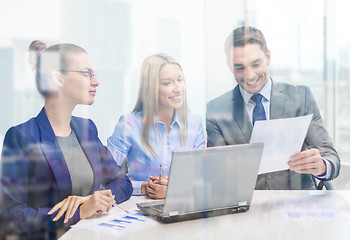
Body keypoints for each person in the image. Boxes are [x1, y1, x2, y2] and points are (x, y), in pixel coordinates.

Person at [0, 40, 132, 239]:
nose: (95, 81)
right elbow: (11, 217)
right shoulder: (21, 137)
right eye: (86, 73)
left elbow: (122, 182)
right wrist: (79, 212)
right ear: (58, 78)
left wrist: (89, 200)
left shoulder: (87, 129)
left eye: (94, 74)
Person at [206, 26, 340, 190]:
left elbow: (331, 156)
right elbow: (216, 173)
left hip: (298, 204)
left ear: (267, 57)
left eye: (256, 64)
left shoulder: (301, 97)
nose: (250, 76)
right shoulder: (216, 110)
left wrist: (322, 166)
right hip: (248, 207)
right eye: (240, 67)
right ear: (229, 65)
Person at [107, 53, 205, 198]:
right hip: (140, 208)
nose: (178, 89)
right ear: (150, 88)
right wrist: (144, 187)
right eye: (167, 83)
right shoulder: (129, 124)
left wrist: (174, 189)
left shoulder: (194, 123)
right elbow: (105, 178)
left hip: (184, 204)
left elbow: (202, 177)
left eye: (180, 80)